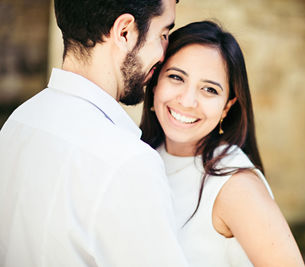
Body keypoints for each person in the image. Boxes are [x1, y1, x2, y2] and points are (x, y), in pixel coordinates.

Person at [0, 0, 189, 266]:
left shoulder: (18, 124)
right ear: (124, 32)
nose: (164, 54)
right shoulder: (129, 162)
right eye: (164, 35)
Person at [140, 21, 305, 266]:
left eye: (209, 89)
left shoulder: (235, 185)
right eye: (176, 77)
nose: (187, 101)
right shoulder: (140, 158)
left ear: (227, 108)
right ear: (154, 85)